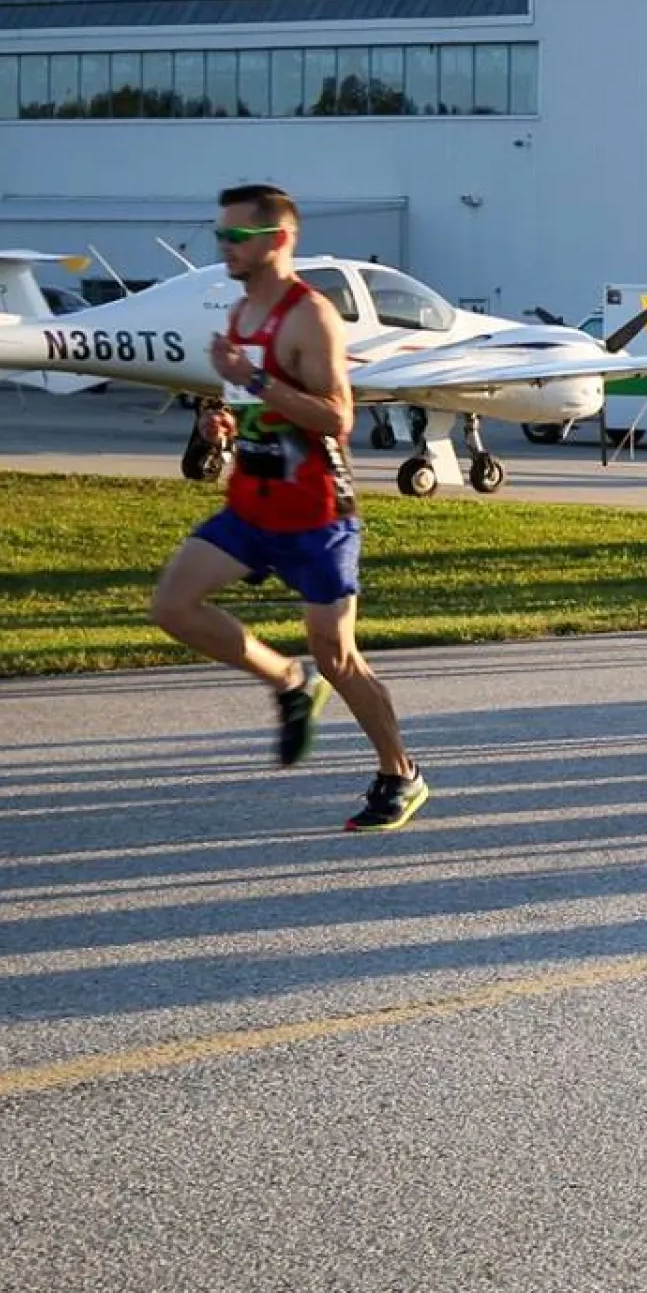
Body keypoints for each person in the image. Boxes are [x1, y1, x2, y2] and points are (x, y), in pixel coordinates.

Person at [146, 182, 428, 831]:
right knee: (172, 605)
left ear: (276, 240)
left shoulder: (309, 316)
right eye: (220, 235)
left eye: (234, 238)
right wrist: (226, 424)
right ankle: (287, 682)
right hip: (252, 505)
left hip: (318, 514)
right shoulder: (240, 312)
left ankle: (400, 773)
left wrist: (253, 381)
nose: (223, 248)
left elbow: (336, 418)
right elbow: (255, 408)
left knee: (337, 654)